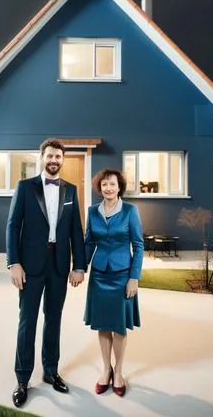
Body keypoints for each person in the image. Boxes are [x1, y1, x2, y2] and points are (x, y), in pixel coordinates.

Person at [6, 138, 86, 408]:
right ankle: (22, 379)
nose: (54, 160)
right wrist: (13, 262)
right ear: (42, 157)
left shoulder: (72, 191)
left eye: (58, 157)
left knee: (54, 319)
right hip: (29, 266)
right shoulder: (25, 187)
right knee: (27, 321)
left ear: (62, 160)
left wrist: (79, 265)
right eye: (49, 156)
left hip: (59, 265)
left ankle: (50, 371)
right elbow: (12, 226)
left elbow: (76, 230)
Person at [84, 168, 144, 397]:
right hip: (99, 275)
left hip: (122, 275)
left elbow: (138, 246)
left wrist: (134, 278)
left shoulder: (130, 211)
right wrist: (80, 267)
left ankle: (118, 371)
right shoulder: (92, 211)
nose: (108, 188)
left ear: (119, 187)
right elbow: (89, 242)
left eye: (112, 184)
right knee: (102, 324)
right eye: (104, 185)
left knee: (118, 326)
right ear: (99, 188)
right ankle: (105, 370)